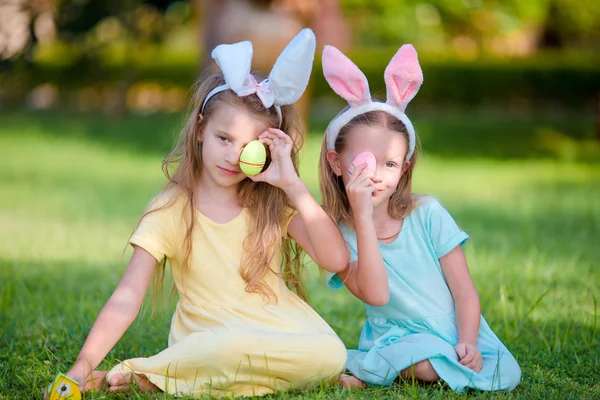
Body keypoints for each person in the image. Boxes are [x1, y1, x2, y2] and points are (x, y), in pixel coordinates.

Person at [49, 29, 349, 398]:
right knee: (225, 350)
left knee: (332, 353)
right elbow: (128, 295)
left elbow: (336, 259)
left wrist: (294, 186)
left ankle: (189, 380)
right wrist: (83, 364)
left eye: (249, 147)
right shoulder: (172, 208)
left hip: (278, 326)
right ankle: (152, 372)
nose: (232, 157)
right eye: (225, 138)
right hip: (211, 336)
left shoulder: (272, 202)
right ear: (202, 128)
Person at [318, 44, 521, 392]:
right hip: (394, 337)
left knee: (506, 372)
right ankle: (381, 366)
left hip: (452, 330)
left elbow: (465, 293)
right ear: (337, 163)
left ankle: (375, 372)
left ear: (405, 168)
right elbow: (372, 294)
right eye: (367, 162)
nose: (379, 175)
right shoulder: (338, 232)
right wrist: (362, 216)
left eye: (391, 164)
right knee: (426, 367)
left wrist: (469, 342)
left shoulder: (427, 214)